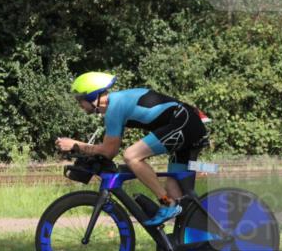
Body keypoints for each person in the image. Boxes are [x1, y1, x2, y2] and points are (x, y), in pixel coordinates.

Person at [55, 72, 209, 226]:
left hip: (184, 123)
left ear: (92, 95)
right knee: (176, 189)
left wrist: (75, 145)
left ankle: (166, 202)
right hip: (187, 123)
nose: (79, 105)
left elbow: (108, 151)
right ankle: (189, 239)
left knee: (131, 156)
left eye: (80, 100)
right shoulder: (115, 106)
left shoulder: (115, 107)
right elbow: (109, 150)